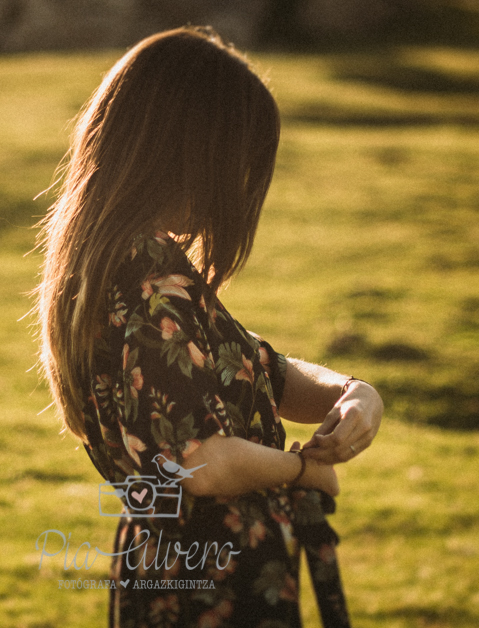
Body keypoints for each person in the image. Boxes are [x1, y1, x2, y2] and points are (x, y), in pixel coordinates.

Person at [34, 26, 383, 627]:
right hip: (214, 579)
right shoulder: (149, 285)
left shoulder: (131, 268)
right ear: (184, 153)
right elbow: (202, 461)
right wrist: (304, 470)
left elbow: (257, 370)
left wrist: (352, 394)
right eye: (235, 164)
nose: (240, 186)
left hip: (179, 566)